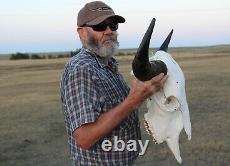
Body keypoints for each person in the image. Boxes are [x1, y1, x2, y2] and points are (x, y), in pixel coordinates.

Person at [60, 1, 167, 165]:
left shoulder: (108, 65)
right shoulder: (81, 69)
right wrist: (134, 100)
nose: (109, 31)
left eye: (113, 25)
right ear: (82, 32)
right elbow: (84, 138)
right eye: (100, 26)